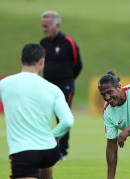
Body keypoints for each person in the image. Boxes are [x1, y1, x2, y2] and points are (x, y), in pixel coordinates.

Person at [0, 43, 74, 179]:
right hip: (50, 151)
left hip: (24, 152)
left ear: (20, 60)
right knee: (44, 160)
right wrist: (53, 135)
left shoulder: (4, 84)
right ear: (41, 62)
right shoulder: (53, 89)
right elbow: (68, 121)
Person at [40, 10, 83, 160]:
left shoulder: (68, 42)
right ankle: (44, 145)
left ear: (56, 25)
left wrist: (68, 80)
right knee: (44, 116)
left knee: (63, 118)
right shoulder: (43, 43)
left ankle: (61, 151)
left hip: (65, 86)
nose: (44, 28)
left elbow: (78, 64)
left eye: (46, 25)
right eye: (42, 25)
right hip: (47, 87)